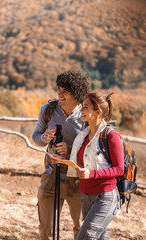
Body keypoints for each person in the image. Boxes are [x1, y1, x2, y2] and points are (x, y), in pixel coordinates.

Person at [32, 69, 91, 240]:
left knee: (81, 230)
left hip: (79, 180)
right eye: (59, 89)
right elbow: (36, 137)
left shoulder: (86, 115)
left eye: (65, 91)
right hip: (51, 175)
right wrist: (44, 137)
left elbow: (94, 149)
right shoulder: (48, 110)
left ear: (77, 93)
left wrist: (72, 150)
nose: (60, 94)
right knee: (45, 230)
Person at [62, 92, 125, 239]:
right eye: (81, 107)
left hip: (105, 196)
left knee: (86, 237)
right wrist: (61, 159)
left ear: (98, 112)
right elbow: (82, 160)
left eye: (85, 107)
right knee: (100, 237)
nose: (81, 111)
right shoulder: (83, 135)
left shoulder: (111, 136)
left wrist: (92, 174)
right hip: (86, 195)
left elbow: (119, 169)